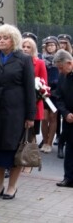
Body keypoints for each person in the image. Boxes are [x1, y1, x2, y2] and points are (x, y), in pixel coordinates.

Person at [0, 24, 35, 200]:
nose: (2, 40)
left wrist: (30, 115)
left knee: (14, 150)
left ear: (14, 40)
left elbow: (29, 89)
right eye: (0, 38)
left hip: (15, 112)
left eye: (6, 37)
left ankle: (12, 186)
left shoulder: (24, 59)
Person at [53, 49, 73, 188]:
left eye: (61, 68)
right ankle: (68, 178)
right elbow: (58, 97)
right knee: (70, 149)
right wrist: (65, 113)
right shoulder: (62, 77)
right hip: (69, 119)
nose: (60, 71)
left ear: (69, 63)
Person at [21, 37, 47, 139]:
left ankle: (30, 154)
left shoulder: (40, 63)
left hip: (34, 102)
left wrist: (36, 92)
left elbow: (44, 84)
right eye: (23, 46)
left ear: (33, 49)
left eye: (28, 47)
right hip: (18, 102)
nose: (25, 49)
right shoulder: (16, 62)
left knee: (31, 135)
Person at [40, 36, 60, 153]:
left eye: (52, 45)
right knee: (44, 118)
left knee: (53, 118)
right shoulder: (42, 59)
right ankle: (44, 140)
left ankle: (49, 143)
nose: (50, 47)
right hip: (44, 92)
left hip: (56, 93)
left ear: (56, 46)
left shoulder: (60, 59)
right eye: (48, 45)